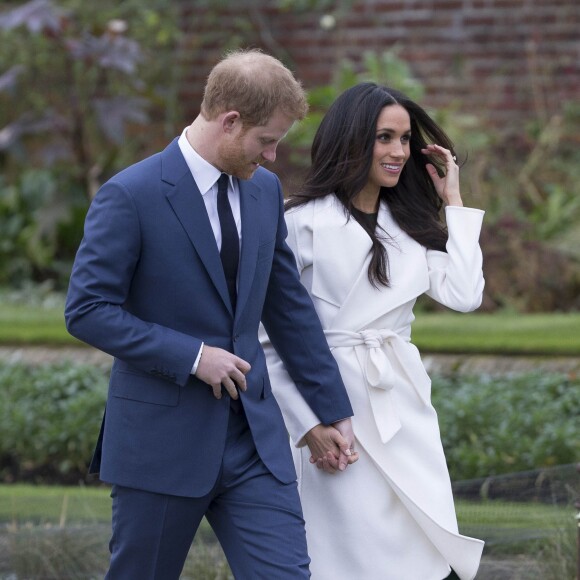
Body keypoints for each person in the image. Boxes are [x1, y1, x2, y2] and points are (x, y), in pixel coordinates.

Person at [64, 48, 357, 580]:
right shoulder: (130, 195)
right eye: (266, 141)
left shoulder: (265, 193)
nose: (272, 158)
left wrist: (331, 409)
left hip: (254, 441)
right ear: (229, 121)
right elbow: (87, 309)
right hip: (160, 443)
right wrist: (193, 357)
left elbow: (288, 308)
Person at [260, 82, 486, 580]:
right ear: (353, 140)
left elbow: (466, 295)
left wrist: (453, 199)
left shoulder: (411, 222)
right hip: (333, 409)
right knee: (345, 552)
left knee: (420, 543)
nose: (399, 152)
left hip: (401, 406)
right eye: (385, 137)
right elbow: (269, 342)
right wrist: (308, 425)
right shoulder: (297, 223)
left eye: (405, 140)